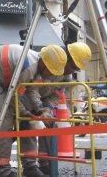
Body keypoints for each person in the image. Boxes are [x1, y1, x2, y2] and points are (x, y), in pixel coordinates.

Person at [0, 44, 68, 177]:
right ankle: (1, 172)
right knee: (3, 123)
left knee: (18, 121)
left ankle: (7, 168)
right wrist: (24, 113)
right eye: (50, 70)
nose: (51, 75)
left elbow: (24, 94)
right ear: (44, 63)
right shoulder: (28, 68)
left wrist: (37, 111)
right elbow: (13, 97)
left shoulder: (37, 67)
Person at [19, 42, 92, 176]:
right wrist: (39, 109)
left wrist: (47, 109)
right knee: (28, 125)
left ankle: (46, 163)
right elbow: (32, 90)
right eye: (73, 67)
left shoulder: (66, 77)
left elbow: (56, 95)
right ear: (67, 58)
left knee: (49, 123)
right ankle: (29, 167)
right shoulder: (50, 64)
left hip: (42, 102)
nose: (72, 71)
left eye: (76, 69)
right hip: (27, 98)